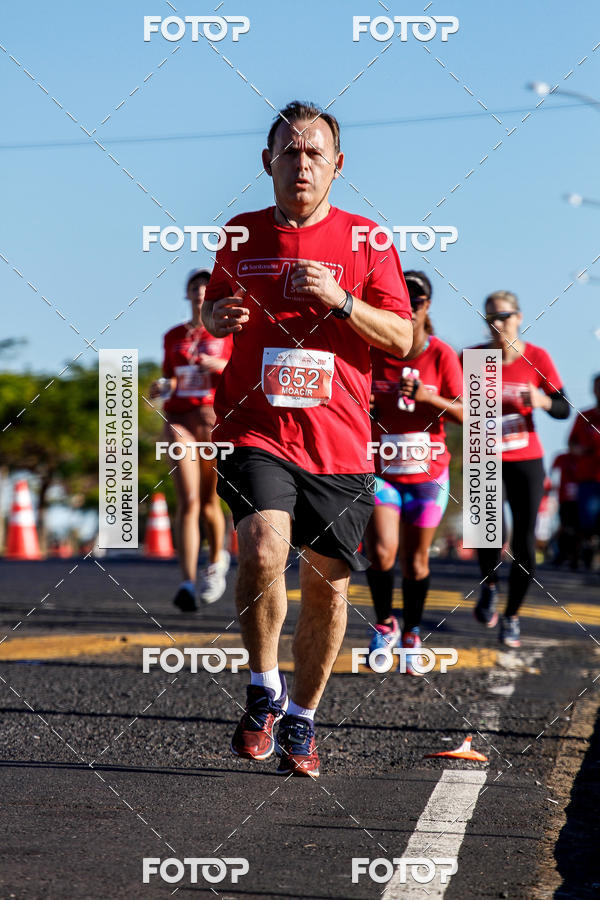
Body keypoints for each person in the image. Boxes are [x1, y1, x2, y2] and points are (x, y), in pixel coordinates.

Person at [201, 100, 412, 777]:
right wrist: (218, 315)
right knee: (263, 547)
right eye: (290, 153)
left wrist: (343, 301)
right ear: (267, 162)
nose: (302, 164)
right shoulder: (238, 235)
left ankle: (303, 717)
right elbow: (211, 312)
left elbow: (405, 337)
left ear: (337, 165)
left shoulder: (369, 243)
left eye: (315, 153)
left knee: (327, 588)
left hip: (341, 443)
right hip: (258, 429)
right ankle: (264, 690)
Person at [364, 271, 463, 675]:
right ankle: (385, 624)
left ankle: (412, 632)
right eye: (402, 301)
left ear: (427, 307)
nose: (410, 308)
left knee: (416, 562)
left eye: (417, 301)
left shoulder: (441, 355)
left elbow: (469, 415)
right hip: (383, 470)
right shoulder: (372, 350)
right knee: (382, 552)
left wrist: (428, 397)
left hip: (428, 475)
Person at [470, 290, 570, 647]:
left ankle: (511, 617)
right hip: (484, 456)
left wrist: (542, 399)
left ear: (519, 317)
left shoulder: (537, 357)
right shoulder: (475, 358)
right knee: (487, 534)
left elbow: (563, 407)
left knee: (525, 543)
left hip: (526, 458)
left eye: (504, 316)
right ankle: (489, 586)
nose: (498, 324)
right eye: (490, 318)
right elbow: (452, 401)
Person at [150, 269, 232, 611]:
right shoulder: (173, 336)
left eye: (206, 287)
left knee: (210, 501)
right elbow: (169, 377)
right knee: (188, 501)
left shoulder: (230, 333)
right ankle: (186, 581)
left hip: (213, 422)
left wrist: (221, 365)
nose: (200, 292)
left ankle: (216, 561)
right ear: (187, 295)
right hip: (180, 420)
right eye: (195, 287)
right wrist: (160, 387)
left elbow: (247, 373)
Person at [568, 373, 600, 569]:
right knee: (587, 519)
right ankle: (587, 550)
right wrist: (580, 450)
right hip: (588, 477)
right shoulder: (585, 416)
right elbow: (571, 443)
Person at [550, 448, 580, 568]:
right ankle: (561, 555)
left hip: (580, 500)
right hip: (564, 499)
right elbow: (554, 474)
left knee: (578, 529)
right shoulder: (562, 458)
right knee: (564, 527)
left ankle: (576, 557)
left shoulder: (587, 458)